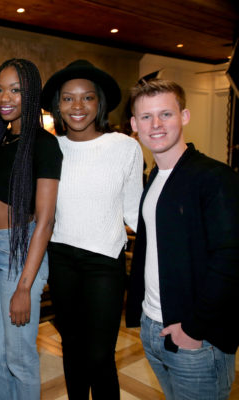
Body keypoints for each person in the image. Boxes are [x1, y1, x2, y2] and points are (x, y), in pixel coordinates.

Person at [126, 79, 239, 399]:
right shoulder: (155, 177)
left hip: (195, 338)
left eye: (166, 114)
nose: (156, 125)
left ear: (184, 116)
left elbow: (230, 259)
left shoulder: (214, 177)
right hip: (154, 326)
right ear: (135, 124)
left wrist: (194, 329)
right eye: (146, 117)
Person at [41, 59, 143, 399]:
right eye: (68, 98)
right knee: (72, 348)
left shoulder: (125, 147)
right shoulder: (49, 148)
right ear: (58, 105)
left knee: (99, 355)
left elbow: (135, 211)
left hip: (104, 262)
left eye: (87, 97)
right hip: (61, 258)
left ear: (99, 102)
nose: (77, 106)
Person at [0, 58, 62, 399]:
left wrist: (25, 286)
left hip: (21, 255)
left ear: (31, 94)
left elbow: (45, 220)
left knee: (19, 356)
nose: (4, 97)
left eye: (15, 89)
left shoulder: (44, 144)